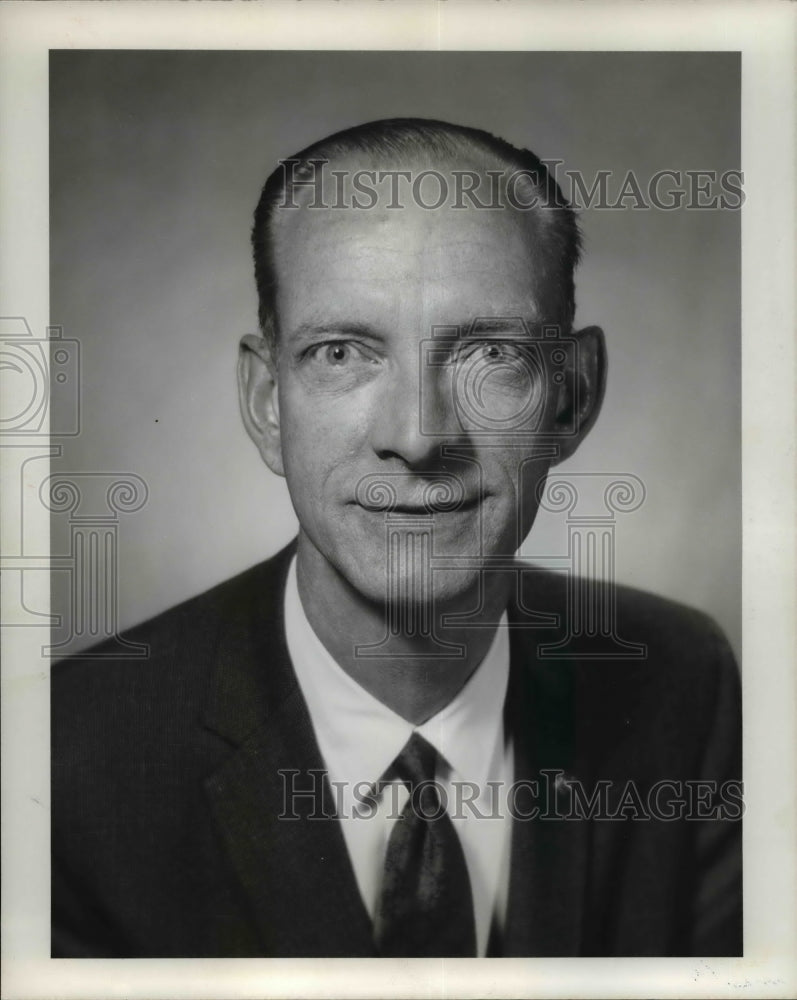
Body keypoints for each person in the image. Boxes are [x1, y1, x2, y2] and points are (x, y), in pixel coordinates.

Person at [51, 118, 742, 958]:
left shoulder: (682, 681)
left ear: (572, 396)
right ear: (268, 403)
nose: (417, 438)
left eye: (489, 353)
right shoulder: (63, 762)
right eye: (342, 352)